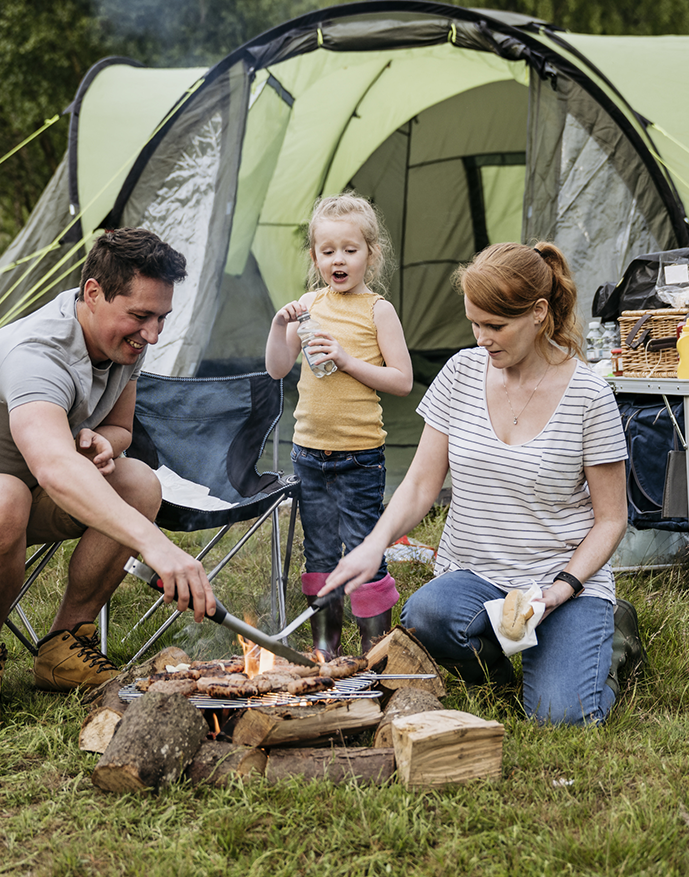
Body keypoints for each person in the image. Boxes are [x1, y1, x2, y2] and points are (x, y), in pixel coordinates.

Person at [0, 227, 216, 727]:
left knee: (138, 481)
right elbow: (55, 470)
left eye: (161, 317)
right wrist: (156, 546)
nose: (153, 335)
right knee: (4, 496)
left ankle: (64, 646)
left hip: (18, 488)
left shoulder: (121, 344)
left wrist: (107, 442)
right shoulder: (37, 354)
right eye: (140, 316)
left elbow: (120, 426)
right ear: (94, 293)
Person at [318, 241, 646, 725]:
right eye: (474, 323)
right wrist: (374, 545)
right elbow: (419, 486)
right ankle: (508, 674)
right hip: (478, 579)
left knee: (563, 719)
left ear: (538, 314)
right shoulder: (461, 372)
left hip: (561, 584)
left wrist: (560, 591)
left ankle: (612, 645)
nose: (482, 338)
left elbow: (612, 518)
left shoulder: (589, 394)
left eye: (496, 326)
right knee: (427, 615)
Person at [265, 194, 413, 657]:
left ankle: (374, 650)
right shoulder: (307, 307)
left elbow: (403, 380)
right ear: (315, 257)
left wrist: (348, 361)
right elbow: (276, 368)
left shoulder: (377, 311)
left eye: (350, 249)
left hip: (358, 456)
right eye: (327, 251)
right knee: (320, 553)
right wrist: (277, 327)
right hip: (309, 453)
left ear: (372, 253)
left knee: (366, 552)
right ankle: (324, 647)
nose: (339, 259)